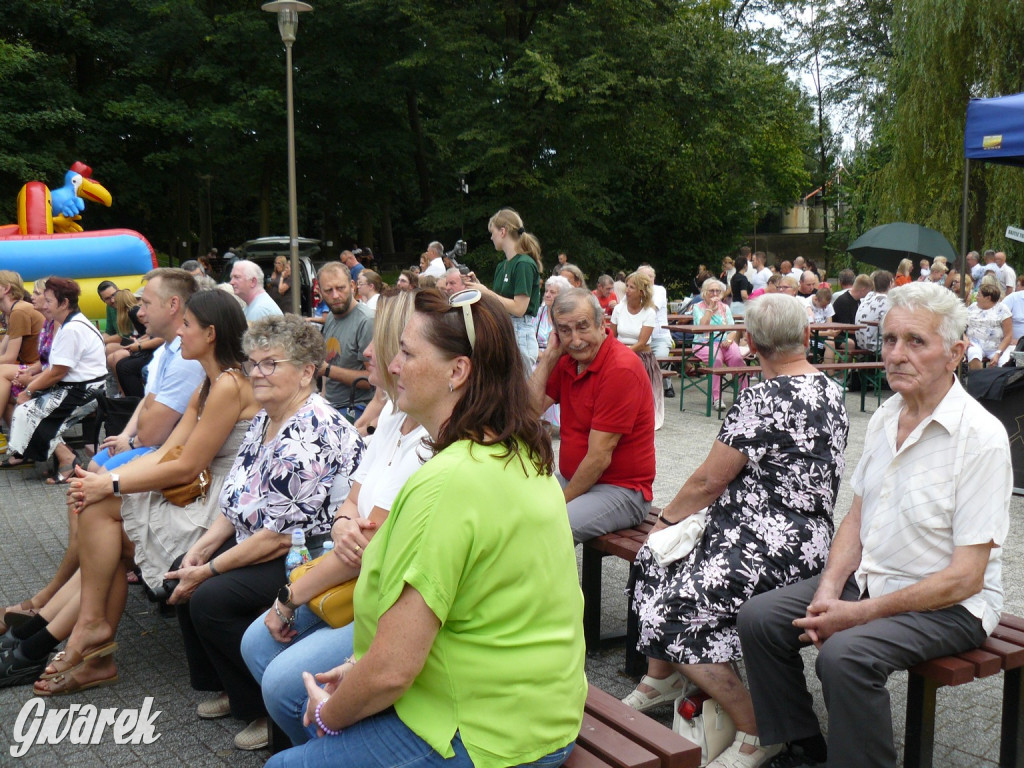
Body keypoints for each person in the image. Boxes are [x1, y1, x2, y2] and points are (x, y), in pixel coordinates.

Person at [264, 289, 585, 768]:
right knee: (298, 701)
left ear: (458, 372)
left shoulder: (446, 482)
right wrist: (357, 670)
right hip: (536, 705)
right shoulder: (517, 449)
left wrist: (332, 716)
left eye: (408, 353)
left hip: (487, 730)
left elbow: (393, 671)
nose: (392, 365)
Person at [737, 282, 1011, 768]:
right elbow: (858, 516)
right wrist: (828, 588)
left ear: (956, 353)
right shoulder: (887, 414)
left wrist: (858, 615)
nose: (897, 355)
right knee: (760, 619)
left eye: (916, 341)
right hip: (875, 581)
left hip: (951, 605)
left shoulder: (982, 438)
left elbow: (965, 577)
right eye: (889, 340)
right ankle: (800, 745)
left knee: (842, 657)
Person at [625, 294, 849, 768]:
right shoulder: (830, 389)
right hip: (805, 540)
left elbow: (710, 480)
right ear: (807, 337)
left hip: (763, 542)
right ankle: (661, 675)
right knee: (659, 562)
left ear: (749, 343)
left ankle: (757, 727)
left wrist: (664, 520)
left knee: (669, 595)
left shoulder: (760, 398)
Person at [14, 291, 261, 695]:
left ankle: (91, 640)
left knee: (102, 520)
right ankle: (89, 633)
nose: (180, 332)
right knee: (98, 514)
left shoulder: (230, 384)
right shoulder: (209, 382)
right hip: (198, 493)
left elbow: (187, 464)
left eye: (188, 326)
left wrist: (110, 482)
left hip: (219, 506)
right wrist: (106, 482)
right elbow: (166, 452)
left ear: (211, 334)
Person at [166, 314, 363, 751]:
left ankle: (262, 704)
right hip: (260, 539)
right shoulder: (266, 419)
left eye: (270, 363)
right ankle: (232, 688)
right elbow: (237, 501)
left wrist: (209, 568)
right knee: (183, 567)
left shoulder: (313, 430)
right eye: (253, 362)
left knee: (211, 596)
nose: (257, 372)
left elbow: (277, 535)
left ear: (307, 371)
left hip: (307, 551)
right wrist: (199, 551)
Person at [241, 291, 430, 747]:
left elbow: (368, 545)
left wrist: (288, 597)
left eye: (388, 344)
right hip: (351, 568)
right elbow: (354, 504)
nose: (364, 350)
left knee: (280, 678)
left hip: (380, 589)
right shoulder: (389, 412)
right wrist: (345, 522)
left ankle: (332, 734)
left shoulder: (430, 437)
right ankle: (328, 728)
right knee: (255, 644)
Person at [529, 288, 655, 543]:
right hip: (573, 479)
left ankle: (551, 584)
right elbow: (527, 412)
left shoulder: (621, 368)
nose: (575, 340)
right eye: (565, 331)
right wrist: (549, 358)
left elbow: (599, 458)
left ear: (602, 324)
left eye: (582, 327)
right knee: (508, 510)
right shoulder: (567, 359)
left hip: (621, 490)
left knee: (547, 529)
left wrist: (556, 504)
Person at [6, 278, 106, 471]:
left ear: (64, 303)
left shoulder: (72, 328)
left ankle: (67, 459)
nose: (45, 304)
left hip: (85, 391)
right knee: (27, 410)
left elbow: (58, 371)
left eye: (49, 301)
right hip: (79, 387)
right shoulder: (68, 324)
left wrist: (29, 389)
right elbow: (54, 368)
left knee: (28, 411)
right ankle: (65, 455)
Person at [467, 208, 543, 370]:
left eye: (492, 231)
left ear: (503, 231)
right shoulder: (502, 266)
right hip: (503, 328)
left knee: (522, 393)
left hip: (520, 333)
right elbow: (499, 300)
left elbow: (519, 308)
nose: (491, 237)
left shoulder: (523, 264)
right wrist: (478, 285)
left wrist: (485, 292)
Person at [317, 263, 374, 420]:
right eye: (328, 290)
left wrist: (327, 370)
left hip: (356, 409)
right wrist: (322, 397)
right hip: (329, 406)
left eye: (340, 288)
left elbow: (374, 379)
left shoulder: (366, 321)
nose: (335, 295)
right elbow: (327, 359)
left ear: (352, 286)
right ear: (320, 292)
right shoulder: (330, 317)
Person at [610, 271, 665, 430]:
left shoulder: (649, 312)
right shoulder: (619, 309)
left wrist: (623, 353)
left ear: (641, 291)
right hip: (619, 352)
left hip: (640, 355)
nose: (626, 290)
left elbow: (641, 342)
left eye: (631, 287)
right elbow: (612, 336)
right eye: (627, 286)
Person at [691, 278, 749, 404]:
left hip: (724, 342)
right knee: (715, 359)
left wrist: (729, 339)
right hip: (704, 342)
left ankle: (743, 395)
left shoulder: (725, 308)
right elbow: (702, 328)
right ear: (705, 293)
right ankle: (716, 397)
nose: (715, 294)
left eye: (718, 291)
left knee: (737, 358)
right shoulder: (697, 307)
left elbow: (733, 329)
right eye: (712, 291)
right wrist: (710, 309)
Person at [0, 271, 45, 422]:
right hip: (33, 366)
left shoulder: (19, 311)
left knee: (1, 371)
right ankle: (17, 443)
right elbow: (2, 351)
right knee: (5, 398)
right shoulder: (14, 310)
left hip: (36, 368)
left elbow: (9, 358)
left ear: (6, 289)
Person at [535, 275, 570, 434]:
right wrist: (541, 355)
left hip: (560, 356)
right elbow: (529, 337)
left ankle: (552, 420)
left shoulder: (566, 316)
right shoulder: (538, 311)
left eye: (553, 292)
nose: (547, 294)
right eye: (547, 291)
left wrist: (552, 356)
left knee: (559, 371)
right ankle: (536, 417)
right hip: (538, 355)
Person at [966, 281, 1013, 370]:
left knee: (1005, 362)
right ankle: (979, 380)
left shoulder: (1003, 309)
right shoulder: (972, 307)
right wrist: (965, 338)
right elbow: (961, 327)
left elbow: (1008, 335)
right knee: (974, 354)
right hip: (975, 343)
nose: (976, 297)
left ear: (988, 298)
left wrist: (998, 353)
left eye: (979, 295)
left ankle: (1000, 382)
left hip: (997, 346)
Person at [854, 270, 893, 354]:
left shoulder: (868, 297)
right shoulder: (886, 301)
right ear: (890, 284)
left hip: (860, 342)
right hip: (874, 345)